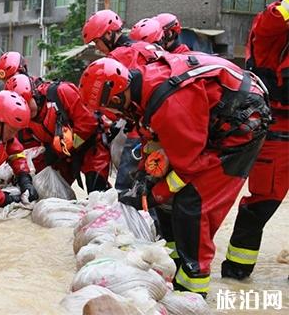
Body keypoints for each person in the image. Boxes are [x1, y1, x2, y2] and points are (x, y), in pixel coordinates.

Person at [78, 55, 270, 296]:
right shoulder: (142, 87)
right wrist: (145, 179)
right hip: (212, 119)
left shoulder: (169, 102)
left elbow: (187, 167)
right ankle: (173, 262)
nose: (111, 116)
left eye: (108, 109)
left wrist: (153, 195)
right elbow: (155, 134)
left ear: (116, 98)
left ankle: (192, 288)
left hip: (240, 129)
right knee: (168, 200)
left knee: (192, 203)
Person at [221, 0, 289, 280]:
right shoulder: (269, 24)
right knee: (261, 204)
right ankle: (237, 274)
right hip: (277, 132)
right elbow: (275, 18)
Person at [82, 11, 165, 190]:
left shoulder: (118, 58)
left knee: (125, 189)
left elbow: (114, 101)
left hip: (142, 128)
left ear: (109, 34)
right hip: (166, 124)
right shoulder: (146, 47)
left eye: (97, 41)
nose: (98, 48)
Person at [4, 74, 111, 192]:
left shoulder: (61, 93)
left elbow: (88, 124)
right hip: (62, 158)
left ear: (34, 95)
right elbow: (30, 151)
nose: (27, 113)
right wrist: (27, 176)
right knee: (53, 192)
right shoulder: (25, 122)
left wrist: (61, 148)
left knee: (97, 189)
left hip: (90, 147)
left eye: (27, 105)